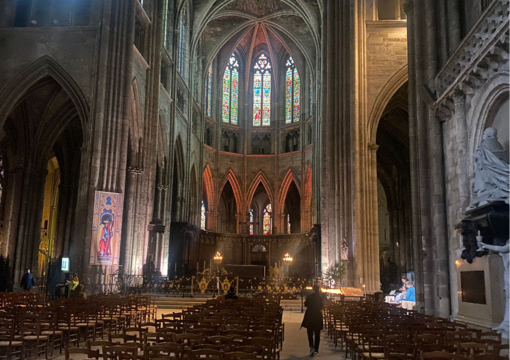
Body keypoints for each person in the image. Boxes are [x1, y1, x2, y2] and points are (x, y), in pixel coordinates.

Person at [301, 284, 324, 357]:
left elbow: (306, 304)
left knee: (310, 332)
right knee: (317, 333)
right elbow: (322, 306)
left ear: (313, 289)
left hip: (310, 315)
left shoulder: (309, 297)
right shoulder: (320, 297)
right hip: (317, 315)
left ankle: (311, 346)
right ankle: (316, 348)